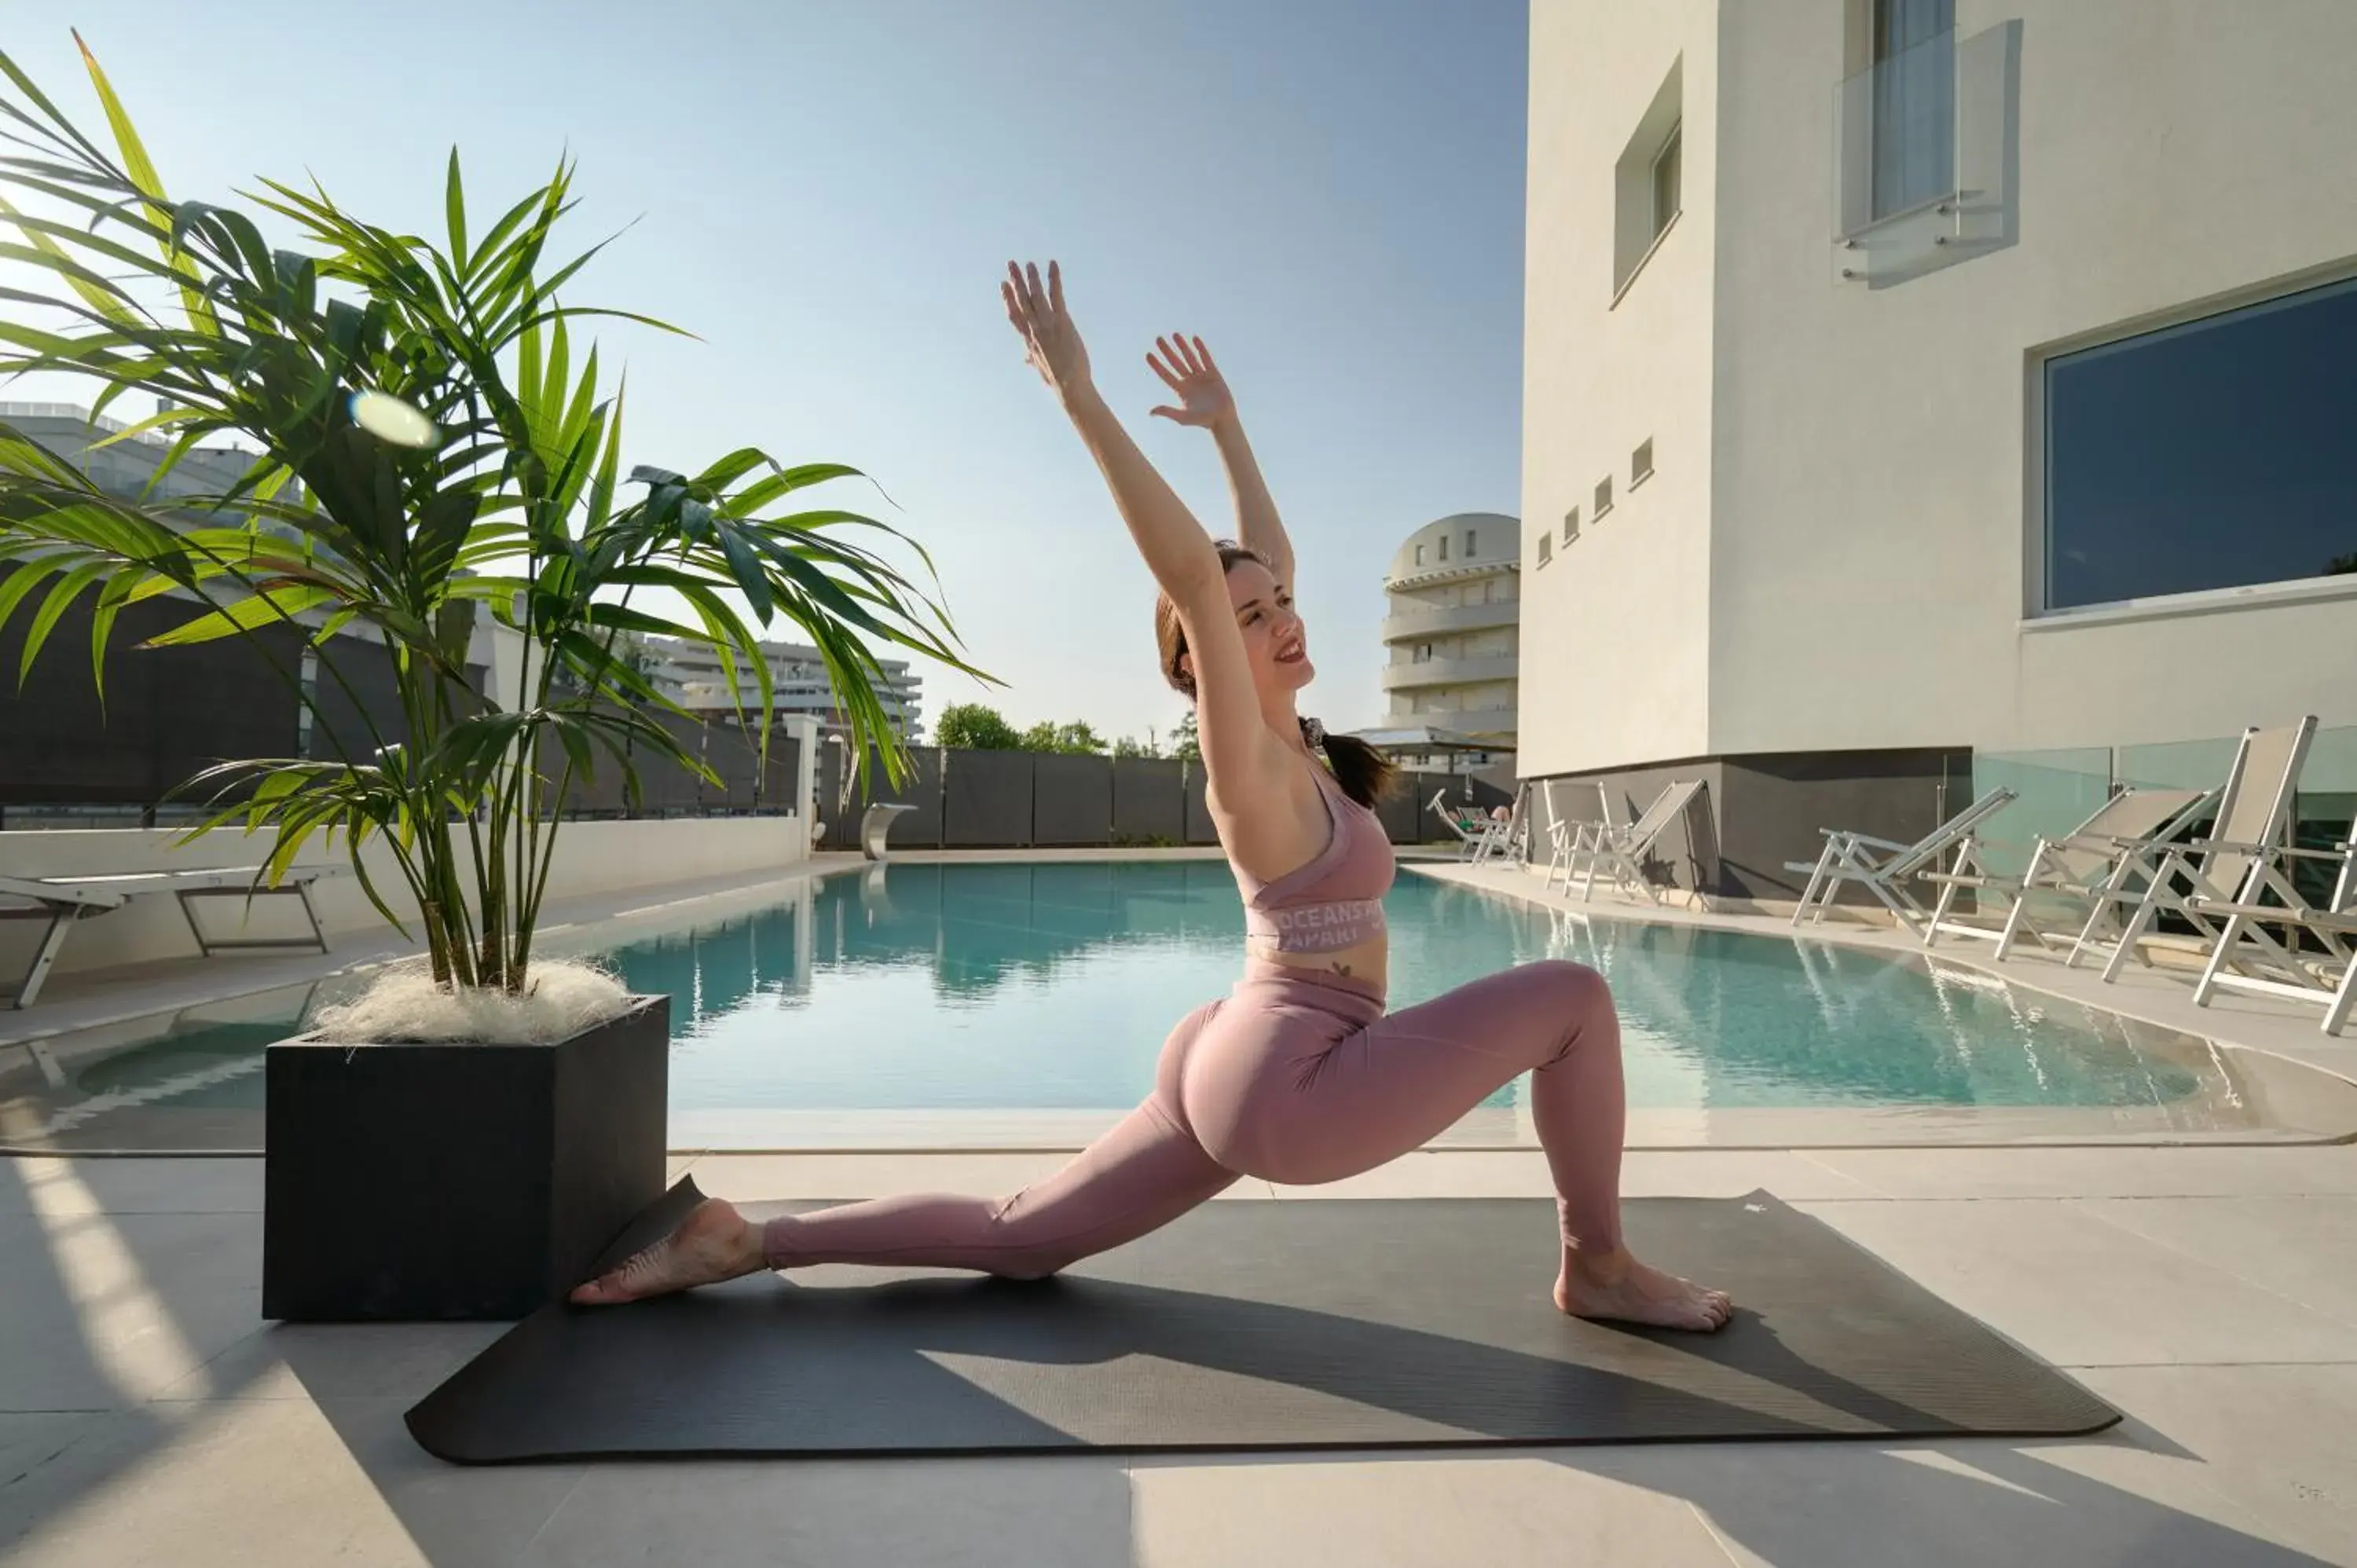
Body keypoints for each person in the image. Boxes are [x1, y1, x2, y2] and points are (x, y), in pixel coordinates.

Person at [572, 262, 1730, 1331]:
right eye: (1250, 622)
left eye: (1282, 603)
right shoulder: (1249, 762)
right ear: (1196, 669)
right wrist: (1081, 398)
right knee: (1574, 994)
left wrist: (1231, 432)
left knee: (1021, 1242)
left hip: (1234, 1050)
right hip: (1293, 1079)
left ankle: (750, 1241)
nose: (1284, 619)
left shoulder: (1299, 740)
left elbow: (1244, 562)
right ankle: (1601, 1267)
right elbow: (1193, 575)